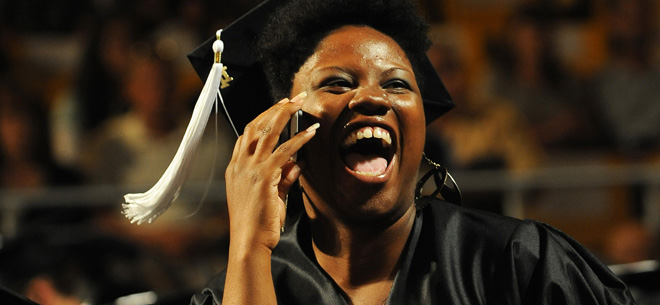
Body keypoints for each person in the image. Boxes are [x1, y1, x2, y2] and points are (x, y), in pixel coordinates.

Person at [182, 0, 635, 304]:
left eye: (397, 83)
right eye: (337, 82)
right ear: (282, 129)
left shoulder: (518, 264)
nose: (374, 98)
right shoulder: (242, 289)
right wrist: (247, 248)